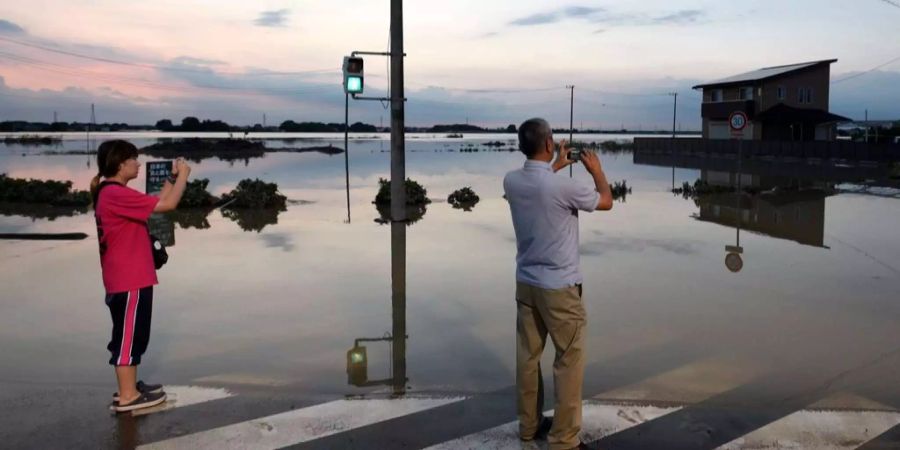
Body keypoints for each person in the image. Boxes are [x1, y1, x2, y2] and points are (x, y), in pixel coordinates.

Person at [503, 118, 613, 450]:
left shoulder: (511, 181)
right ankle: (564, 440)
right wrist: (596, 170)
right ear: (549, 144)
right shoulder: (565, 187)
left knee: (528, 357)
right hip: (560, 289)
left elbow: (538, 186)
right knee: (568, 360)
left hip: (526, 284)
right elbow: (606, 201)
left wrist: (554, 166)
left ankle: (529, 426)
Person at [90, 140, 191, 413]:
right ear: (121, 164)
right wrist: (183, 176)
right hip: (128, 279)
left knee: (134, 335)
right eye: (134, 159)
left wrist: (170, 177)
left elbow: (157, 202)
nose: (138, 163)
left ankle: (131, 387)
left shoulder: (112, 192)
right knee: (127, 338)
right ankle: (127, 396)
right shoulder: (115, 194)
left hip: (129, 277)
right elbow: (169, 204)